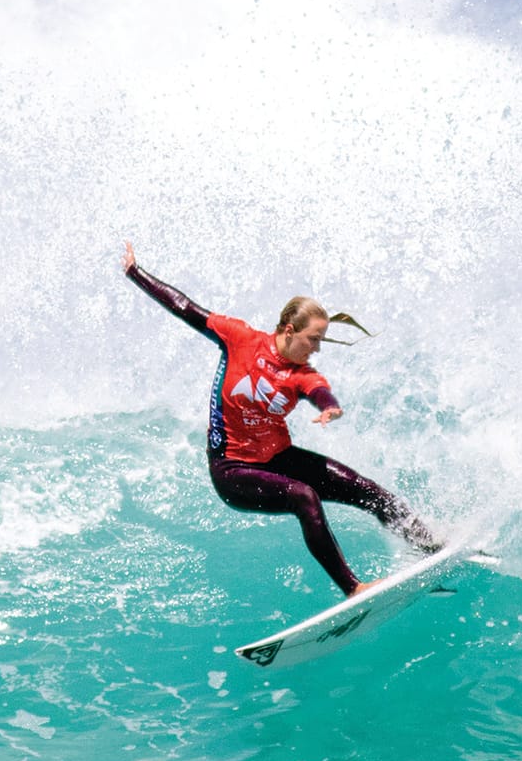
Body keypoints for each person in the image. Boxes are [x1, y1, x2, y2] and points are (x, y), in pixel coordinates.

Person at [122, 241, 439, 596]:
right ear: (289, 329)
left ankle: (430, 548)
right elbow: (185, 307)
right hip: (232, 470)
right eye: (313, 339)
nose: (317, 348)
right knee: (304, 497)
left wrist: (329, 407)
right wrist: (136, 272)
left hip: (279, 459)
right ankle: (354, 588)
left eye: (321, 340)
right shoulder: (239, 338)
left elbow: (319, 391)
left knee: (369, 491)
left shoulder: (301, 373)